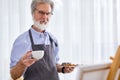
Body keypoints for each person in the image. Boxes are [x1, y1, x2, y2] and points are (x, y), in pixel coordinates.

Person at [10, 0, 75, 80]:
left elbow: (53, 65)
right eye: (41, 12)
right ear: (33, 13)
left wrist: (62, 69)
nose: (44, 17)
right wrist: (21, 64)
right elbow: (13, 75)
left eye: (48, 13)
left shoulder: (53, 39)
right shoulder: (22, 41)